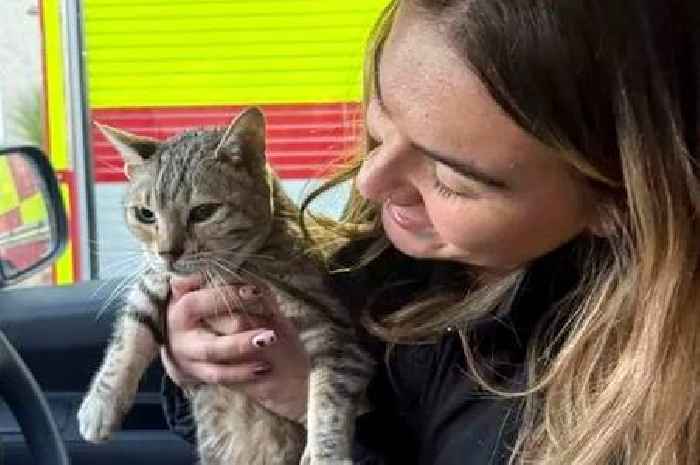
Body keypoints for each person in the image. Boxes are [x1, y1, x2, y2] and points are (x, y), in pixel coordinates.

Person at [160, 1, 700, 464]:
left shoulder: (619, 412)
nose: (370, 182)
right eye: (380, 112)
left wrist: (328, 414)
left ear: (619, 201)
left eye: (451, 179)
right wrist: (218, 370)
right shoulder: (376, 263)